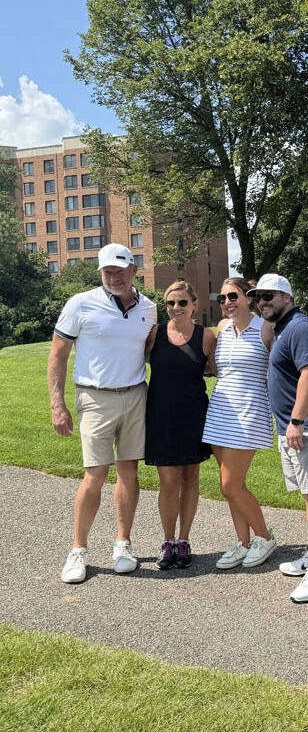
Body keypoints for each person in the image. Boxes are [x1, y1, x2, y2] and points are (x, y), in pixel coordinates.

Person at [49, 243, 157, 584]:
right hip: (94, 398)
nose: (113, 277)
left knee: (128, 472)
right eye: (107, 272)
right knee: (94, 474)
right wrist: (57, 404)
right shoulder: (80, 303)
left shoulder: (150, 309)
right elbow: (58, 355)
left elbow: (153, 353)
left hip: (136, 395)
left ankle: (123, 544)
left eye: (120, 271)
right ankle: (78, 549)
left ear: (134, 271)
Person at [248, 274, 308, 602]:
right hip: (298, 426)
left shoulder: (300, 327)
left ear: (287, 296)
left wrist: (297, 421)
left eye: (269, 296)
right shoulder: (282, 328)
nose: (262, 301)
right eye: (258, 297)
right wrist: (266, 321)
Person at [202, 277, 277, 569]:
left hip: (249, 412)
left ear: (249, 298)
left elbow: (281, 367)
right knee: (235, 485)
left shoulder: (266, 327)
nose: (226, 303)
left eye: (232, 297)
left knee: (229, 486)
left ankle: (264, 536)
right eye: (222, 299)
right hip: (220, 411)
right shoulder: (222, 328)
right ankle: (244, 543)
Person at [144, 280, 217, 570]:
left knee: (190, 478)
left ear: (194, 304)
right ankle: (167, 540)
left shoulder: (206, 336)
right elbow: (142, 359)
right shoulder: (155, 333)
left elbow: (213, 368)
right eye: (171, 303)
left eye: (182, 302)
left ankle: (184, 541)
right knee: (168, 481)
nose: (176, 308)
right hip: (160, 413)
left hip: (193, 414)